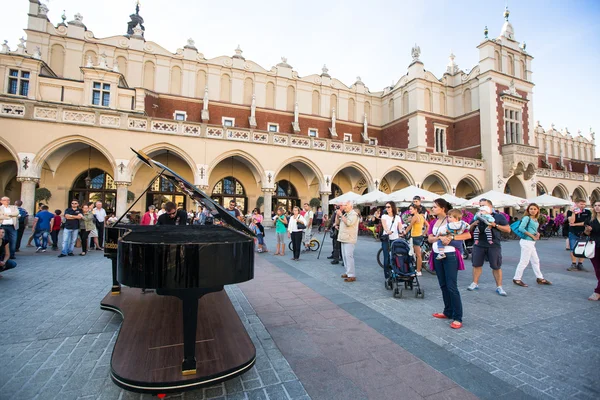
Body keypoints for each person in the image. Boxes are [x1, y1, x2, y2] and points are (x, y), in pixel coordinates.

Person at [427, 199, 470, 329]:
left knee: (452, 286)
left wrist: (452, 238)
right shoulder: (434, 221)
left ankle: (458, 317)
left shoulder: (452, 219)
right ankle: (447, 311)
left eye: (435, 207)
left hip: (450, 255)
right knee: (443, 285)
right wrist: (439, 238)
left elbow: (467, 235)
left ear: (443, 208)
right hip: (437, 254)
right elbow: (429, 238)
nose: (432, 209)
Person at [467, 199, 510, 296]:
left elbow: (507, 229)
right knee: (476, 265)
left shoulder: (498, 216)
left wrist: (495, 225)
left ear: (490, 206)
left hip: (493, 245)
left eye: (484, 205)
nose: (481, 207)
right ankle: (475, 283)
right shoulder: (478, 216)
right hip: (479, 244)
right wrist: (473, 224)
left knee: (496, 266)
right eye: (480, 205)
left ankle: (499, 286)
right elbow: (468, 228)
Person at [512, 203, 551, 287]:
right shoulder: (527, 218)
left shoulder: (535, 219)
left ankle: (540, 278)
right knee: (524, 261)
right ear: (528, 210)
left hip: (531, 242)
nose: (532, 211)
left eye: (534, 209)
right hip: (526, 241)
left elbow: (533, 228)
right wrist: (532, 235)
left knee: (535, 260)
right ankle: (517, 279)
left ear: (537, 210)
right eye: (531, 209)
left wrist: (537, 233)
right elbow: (521, 228)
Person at [337, 200, 359, 282]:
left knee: (349, 256)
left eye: (346, 205)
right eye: (344, 205)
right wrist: (337, 215)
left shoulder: (354, 214)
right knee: (345, 256)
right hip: (343, 237)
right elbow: (338, 222)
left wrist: (341, 215)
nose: (344, 207)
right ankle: (348, 272)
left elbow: (349, 223)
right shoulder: (346, 214)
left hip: (349, 238)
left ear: (351, 206)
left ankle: (352, 275)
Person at [567, 198, 591, 271]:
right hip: (573, 232)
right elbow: (571, 221)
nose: (583, 205)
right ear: (576, 204)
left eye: (584, 204)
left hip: (584, 232)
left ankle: (580, 264)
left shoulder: (588, 212)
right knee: (572, 248)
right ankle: (573, 264)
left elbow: (586, 222)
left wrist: (575, 224)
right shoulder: (570, 211)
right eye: (581, 204)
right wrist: (574, 213)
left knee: (583, 248)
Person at [380, 201, 402, 281]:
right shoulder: (384, 216)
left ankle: (396, 273)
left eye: (389, 207)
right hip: (386, 238)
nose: (387, 208)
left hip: (395, 238)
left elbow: (400, 227)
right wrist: (388, 230)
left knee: (395, 256)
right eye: (386, 207)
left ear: (393, 207)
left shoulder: (397, 217)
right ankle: (387, 275)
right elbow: (384, 225)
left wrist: (402, 231)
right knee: (386, 257)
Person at [583, 200, 600, 301]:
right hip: (595, 246)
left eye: (599, 205)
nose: (597, 207)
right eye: (595, 205)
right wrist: (587, 230)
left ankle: (597, 291)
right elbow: (586, 234)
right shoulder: (590, 220)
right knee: (598, 269)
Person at [403, 204, 425, 276]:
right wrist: (423, 233)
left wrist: (404, 232)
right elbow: (428, 225)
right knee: (416, 254)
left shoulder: (415, 217)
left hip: (415, 236)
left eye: (411, 209)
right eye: (409, 209)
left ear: (415, 210)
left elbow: (409, 226)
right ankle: (417, 269)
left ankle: (418, 271)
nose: (410, 211)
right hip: (419, 236)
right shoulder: (421, 216)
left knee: (418, 255)